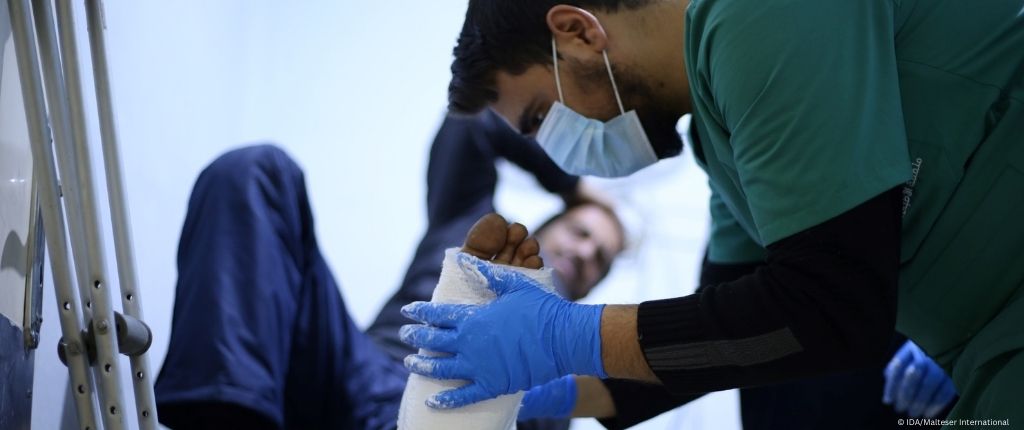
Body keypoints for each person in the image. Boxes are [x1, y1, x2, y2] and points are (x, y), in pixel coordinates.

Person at [400, 0, 1023, 428]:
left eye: (540, 117)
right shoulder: (719, 144)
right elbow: (719, 341)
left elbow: (830, 308)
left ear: (579, 31)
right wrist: (543, 388)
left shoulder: (757, 17)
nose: (556, 146)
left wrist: (561, 337)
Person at [153, 110, 626, 429]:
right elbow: (475, 116)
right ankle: (226, 416)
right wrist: (575, 188)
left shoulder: (568, 360)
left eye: (601, 259)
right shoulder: (468, 225)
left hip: (447, 419)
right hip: (356, 370)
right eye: (582, 232)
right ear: (550, 220)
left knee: (549, 386)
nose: (586, 253)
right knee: (258, 171)